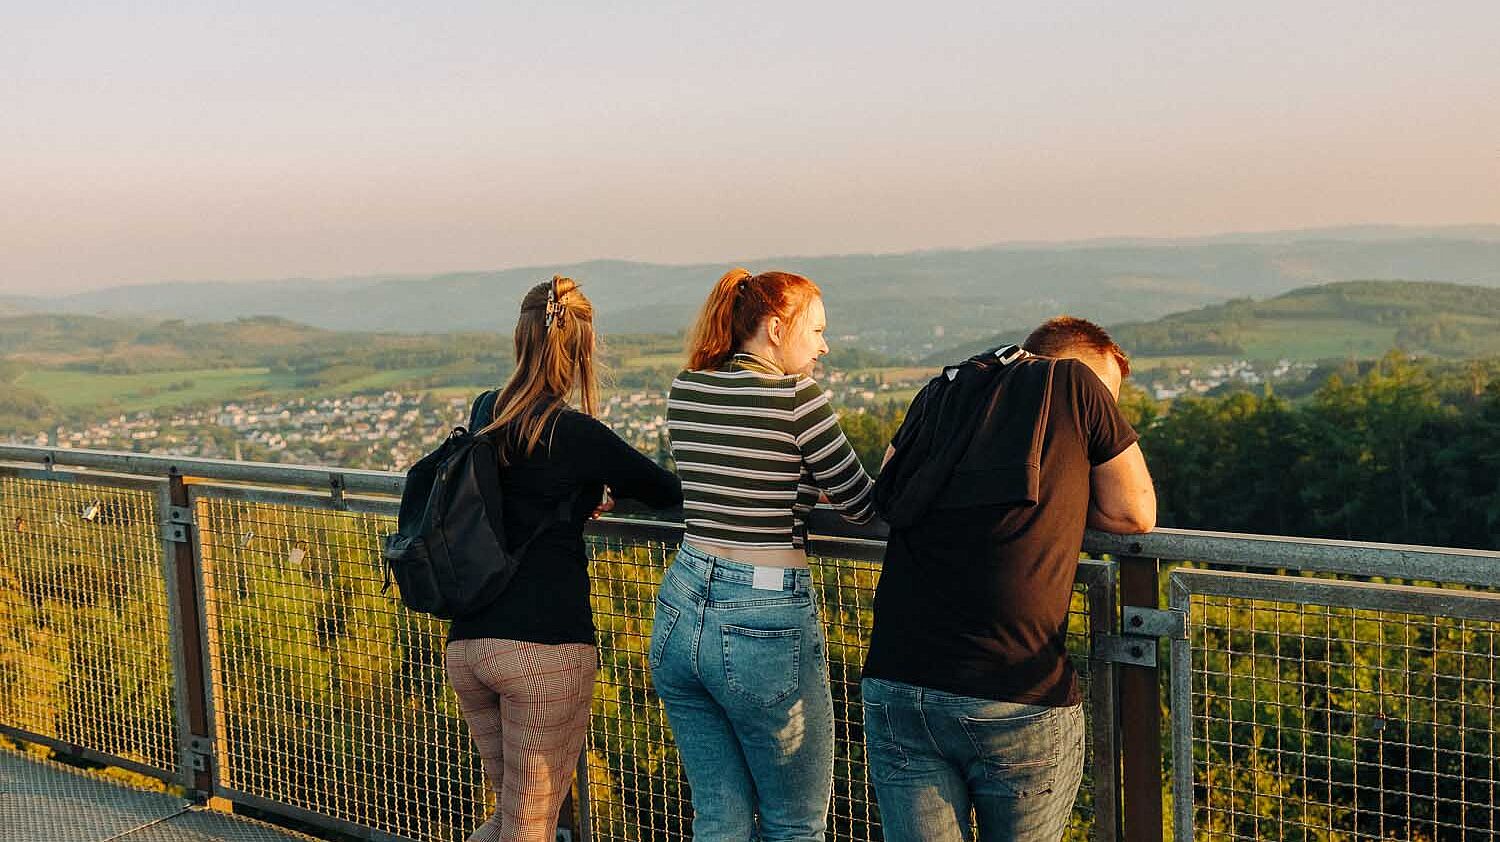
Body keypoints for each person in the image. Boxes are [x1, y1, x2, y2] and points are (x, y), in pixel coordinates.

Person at [862, 316, 1156, 842]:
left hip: (899, 682)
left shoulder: (943, 390)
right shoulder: (1074, 383)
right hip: (1015, 693)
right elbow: (1136, 512)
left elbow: (888, 486)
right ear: (1073, 365)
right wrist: (1063, 505)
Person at [445, 276, 683, 842]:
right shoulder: (579, 435)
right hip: (544, 651)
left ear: (520, 338)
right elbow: (667, 491)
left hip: (471, 643)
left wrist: (582, 495)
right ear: (581, 347)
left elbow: (515, 493)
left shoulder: (486, 413)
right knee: (530, 827)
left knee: (508, 819)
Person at [650, 268, 876, 841]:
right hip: (763, 615)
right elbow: (860, 505)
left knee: (720, 818)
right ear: (776, 328)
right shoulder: (796, 398)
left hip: (681, 602)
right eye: (817, 330)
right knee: (795, 824)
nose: (825, 345)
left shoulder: (687, 388)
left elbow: (731, 474)